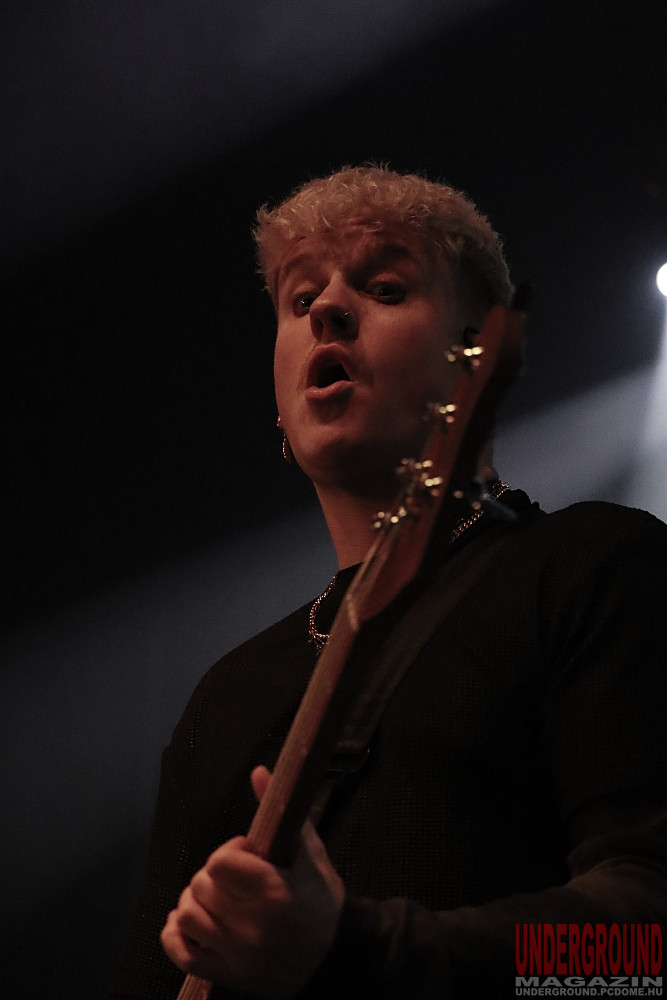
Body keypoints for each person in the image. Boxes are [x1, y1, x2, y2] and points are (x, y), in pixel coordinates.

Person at [110, 166, 667, 1000]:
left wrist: (351, 949)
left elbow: (640, 958)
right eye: (300, 300)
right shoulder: (225, 698)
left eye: (384, 288)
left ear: (474, 355)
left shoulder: (595, 567)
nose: (327, 310)